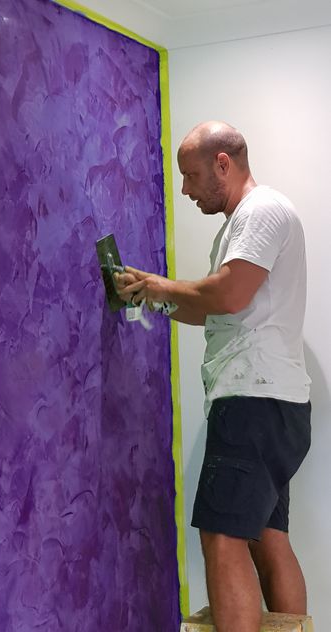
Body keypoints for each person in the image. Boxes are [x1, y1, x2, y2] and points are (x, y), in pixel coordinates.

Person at [114, 121, 311, 632]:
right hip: (275, 405)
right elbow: (212, 311)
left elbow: (227, 295)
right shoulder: (241, 225)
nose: (185, 189)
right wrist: (153, 297)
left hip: (252, 400)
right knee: (266, 534)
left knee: (223, 536)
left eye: (192, 175)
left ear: (223, 163)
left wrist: (162, 282)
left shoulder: (261, 211)